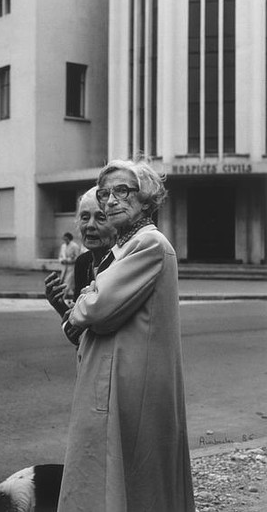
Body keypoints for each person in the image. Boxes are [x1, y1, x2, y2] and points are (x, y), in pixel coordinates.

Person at [57, 159, 195, 512]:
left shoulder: (148, 244)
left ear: (146, 199)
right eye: (105, 193)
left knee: (126, 477)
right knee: (117, 477)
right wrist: (88, 302)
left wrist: (82, 305)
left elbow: (97, 309)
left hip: (129, 385)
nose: (111, 200)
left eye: (122, 191)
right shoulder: (126, 246)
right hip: (117, 380)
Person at [45, 188, 116, 322]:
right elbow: (79, 332)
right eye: (84, 217)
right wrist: (59, 305)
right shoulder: (83, 263)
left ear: (118, 225)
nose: (90, 225)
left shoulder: (124, 262)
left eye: (101, 218)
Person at [57, 232, 80, 301]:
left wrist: (69, 260)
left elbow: (78, 257)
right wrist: (62, 260)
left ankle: (62, 298)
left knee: (67, 282)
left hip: (71, 267)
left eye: (66, 239)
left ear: (69, 238)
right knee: (72, 285)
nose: (65, 240)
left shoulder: (75, 246)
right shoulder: (63, 246)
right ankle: (77, 298)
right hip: (64, 267)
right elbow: (60, 256)